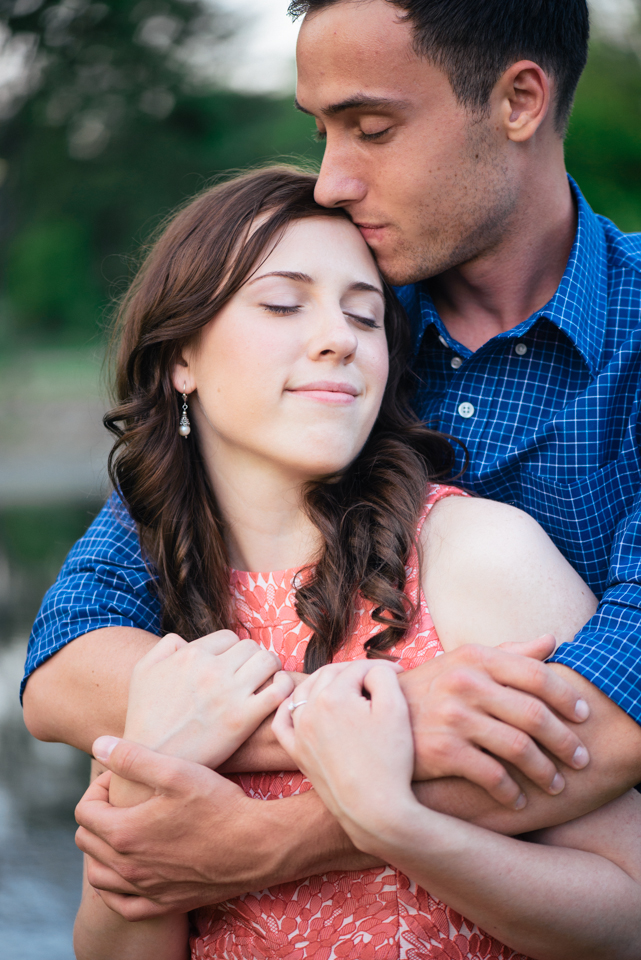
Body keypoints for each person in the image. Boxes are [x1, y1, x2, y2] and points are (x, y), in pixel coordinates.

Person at [22, 0, 641, 924]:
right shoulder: (331, 348)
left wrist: (271, 841)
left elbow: (617, 717)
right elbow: (68, 659)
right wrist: (360, 714)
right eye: (321, 132)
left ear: (517, 100)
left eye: (372, 129)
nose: (333, 180)